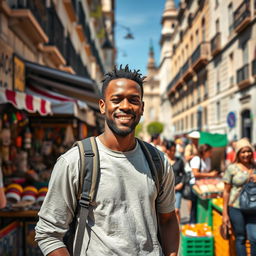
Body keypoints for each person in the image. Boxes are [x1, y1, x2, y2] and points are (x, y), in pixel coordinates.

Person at [35, 65, 180, 256]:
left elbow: (168, 219)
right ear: (103, 106)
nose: (126, 106)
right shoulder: (74, 162)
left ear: (142, 108)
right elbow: (47, 233)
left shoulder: (158, 162)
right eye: (117, 99)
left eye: (134, 100)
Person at [222, 138, 256, 256]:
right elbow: (226, 191)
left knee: (254, 238)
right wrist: (225, 213)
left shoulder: (255, 166)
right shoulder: (232, 168)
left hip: (253, 208)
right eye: (243, 152)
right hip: (236, 208)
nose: (246, 154)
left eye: (248, 151)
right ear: (237, 153)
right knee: (241, 238)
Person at [189, 144, 219, 223]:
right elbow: (195, 173)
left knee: (203, 205)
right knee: (195, 205)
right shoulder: (196, 159)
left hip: (203, 183)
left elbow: (206, 172)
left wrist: (212, 175)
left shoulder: (208, 160)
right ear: (205, 151)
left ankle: (202, 221)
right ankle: (193, 222)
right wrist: (210, 175)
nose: (211, 153)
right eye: (210, 152)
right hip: (195, 184)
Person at [164, 140, 186, 222]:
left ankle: (178, 232)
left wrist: (182, 183)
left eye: (174, 150)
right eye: (171, 150)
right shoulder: (163, 160)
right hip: (166, 190)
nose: (173, 152)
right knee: (167, 212)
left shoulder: (179, 161)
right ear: (167, 150)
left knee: (176, 210)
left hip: (177, 189)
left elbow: (184, 174)